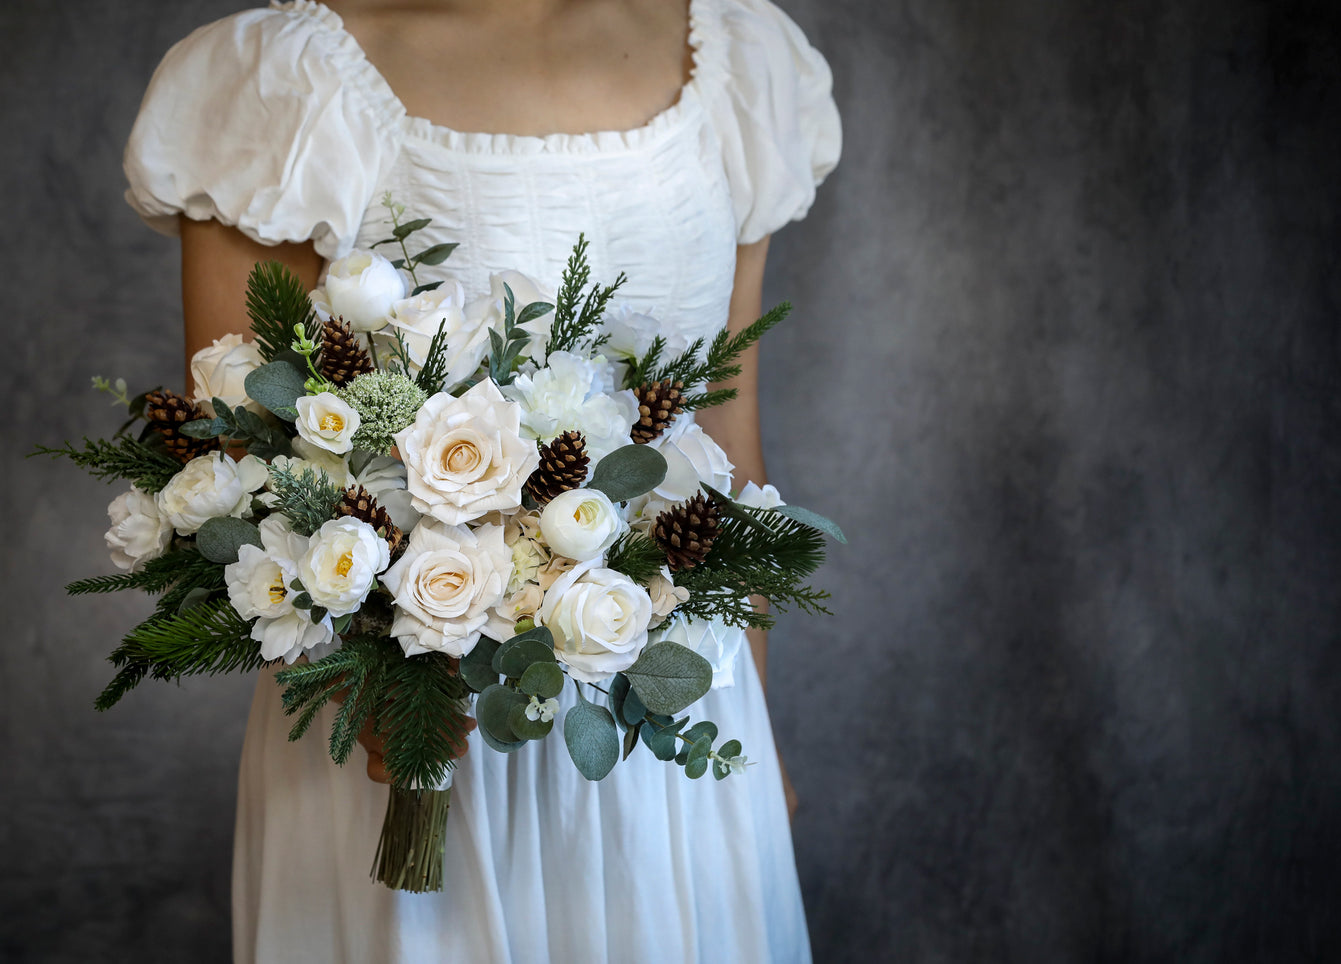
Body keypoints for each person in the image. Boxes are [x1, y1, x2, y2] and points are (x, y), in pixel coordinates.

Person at [123, 0, 840, 960]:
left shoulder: (736, 62)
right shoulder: (286, 85)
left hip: (666, 732)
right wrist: (383, 701)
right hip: (407, 743)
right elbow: (246, 476)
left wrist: (759, 753)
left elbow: (726, 460)